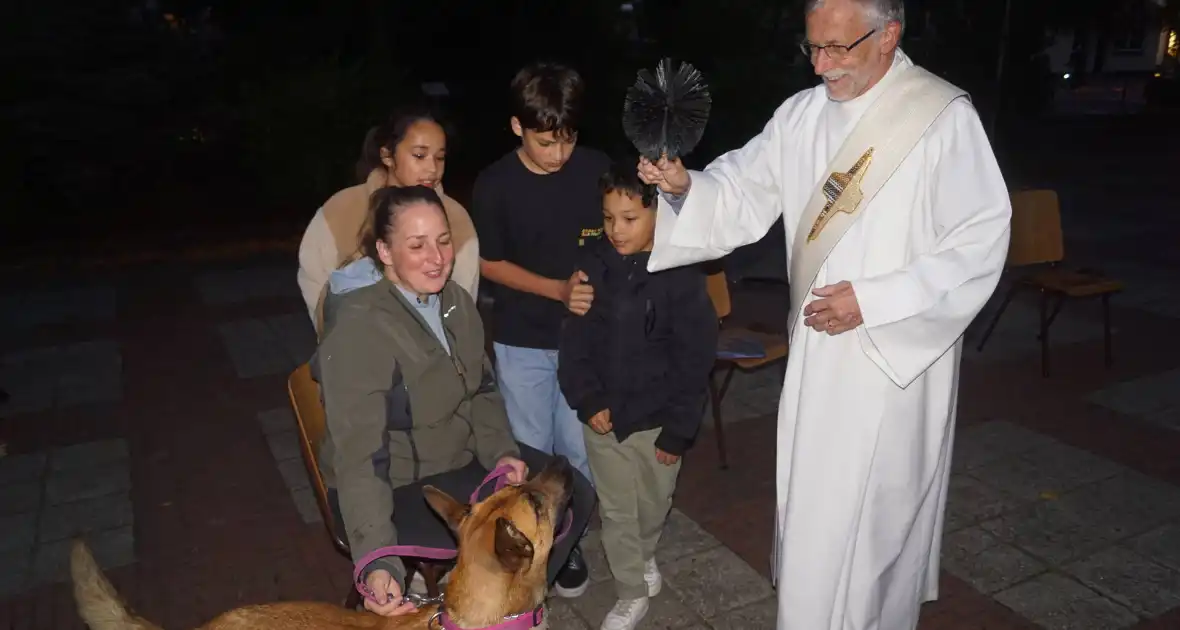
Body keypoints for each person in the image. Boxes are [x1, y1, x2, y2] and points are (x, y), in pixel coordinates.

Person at [637, 0, 1012, 628]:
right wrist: (685, 189)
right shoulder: (802, 114)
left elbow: (981, 237)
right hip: (818, 355)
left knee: (877, 524)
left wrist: (874, 299)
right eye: (812, 47)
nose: (822, 65)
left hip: (895, 361)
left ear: (889, 35)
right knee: (817, 514)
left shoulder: (942, 118)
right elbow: (746, 187)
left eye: (838, 48)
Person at [313, 185, 594, 617]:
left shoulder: (454, 301)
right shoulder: (359, 329)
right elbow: (359, 458)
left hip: (457, 458)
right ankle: (486, 611)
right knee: (516, 528)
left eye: (444, 241)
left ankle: (513, 606)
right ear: (385, 252)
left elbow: (481, 389)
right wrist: (378, 559)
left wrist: (501, 453)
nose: (438, 258)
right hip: (395, 482)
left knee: (578, 493)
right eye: (417, 245)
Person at [471, 61, 611, 597]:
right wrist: (555, 289)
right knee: (531, 455)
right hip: (522, 340)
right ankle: (527, 553)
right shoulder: (495, 184)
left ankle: (566, 550)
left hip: (583, 343)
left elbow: (624, 232)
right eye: (545, 141)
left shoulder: (595, 168)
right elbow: (490, 263)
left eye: (567, 140)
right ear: (516, 127)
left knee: (578, 453)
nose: (558, 154)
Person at [558, 162, 717, 630]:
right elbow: (575, 344)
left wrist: (679, 430)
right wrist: (588, 401)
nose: (616, 230)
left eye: (629, 219)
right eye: (608, 218)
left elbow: (695, 358)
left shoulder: (681, 273)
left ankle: (644, 555)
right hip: (604, 419)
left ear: (658, 211)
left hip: (659, 421)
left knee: (653, 503)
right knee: (618, 510)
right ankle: (630, 591)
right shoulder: (591, 264)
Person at [297, 106, 480, 338]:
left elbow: (464, 296)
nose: (432, 169)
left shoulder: (456, 218)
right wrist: (335, 337)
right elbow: (314, 277)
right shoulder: (343, 208)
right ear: (387, 156)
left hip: (430, 359)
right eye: (419, 155)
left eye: (440, 158)